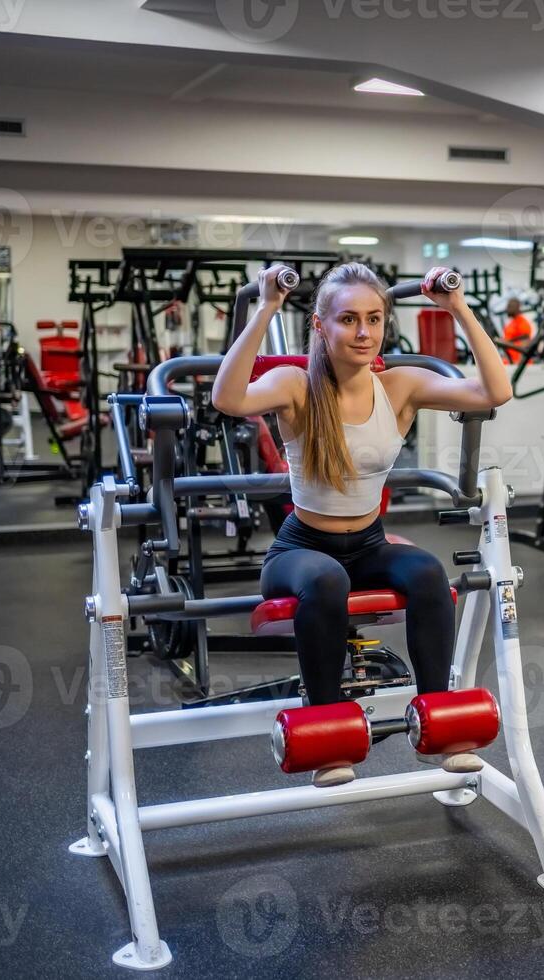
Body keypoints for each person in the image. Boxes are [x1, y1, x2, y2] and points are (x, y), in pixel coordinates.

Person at [212, 262, 511, 786]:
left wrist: (457, 306)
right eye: (348, 319)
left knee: (425, 572)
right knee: (328, 580)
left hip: (369, 543)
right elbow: (228, 399)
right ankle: (329, 735)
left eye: (374, 319)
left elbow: (495, 391)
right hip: (301, 550)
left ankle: (439, 720)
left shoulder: (399, 386)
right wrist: (266, 307)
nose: (364, 332)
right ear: (321, 326)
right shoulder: (294, 384)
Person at [501, 296, 535, 364]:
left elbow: (525, 344)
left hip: (517, 363)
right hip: (509, 361)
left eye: (510, 306)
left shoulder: (523, 324)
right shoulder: (511, 323)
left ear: (517, 307)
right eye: (508, 306)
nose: (507, 308)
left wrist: (519, 363)